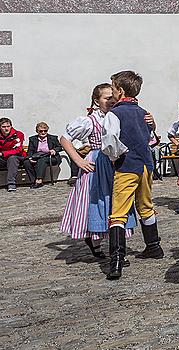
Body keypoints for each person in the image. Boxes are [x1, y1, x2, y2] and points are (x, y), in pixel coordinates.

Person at [58, 84, 138, 258]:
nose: (111, 101)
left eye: (112, 97)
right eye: (106, 98)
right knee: (96, 201)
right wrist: (79, 160)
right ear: (96, 101)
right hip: (97, 162)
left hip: (116, 163)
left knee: (115, 200)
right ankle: (95, 239)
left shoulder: (118, 115)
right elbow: (64, 138)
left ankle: (114, 243)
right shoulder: (89, 120)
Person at [100, 70, 161, 280]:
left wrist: (116, 156)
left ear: (120, 90)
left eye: (114, 88)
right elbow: (151, 137)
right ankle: (154, 246)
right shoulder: (143, 112)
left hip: (127, 165)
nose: (113, 92)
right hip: (146, 165)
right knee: (146, 205)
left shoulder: (114, 114)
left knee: (118, 212)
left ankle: (116, 259)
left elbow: (110, 141)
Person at [23, 122, 63, 188]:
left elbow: (60, 147)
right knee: (26, 162)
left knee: (42, 160)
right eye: (41, 131)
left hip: (51, 157)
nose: (43, 132)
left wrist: (54, 150)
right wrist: (30, 158)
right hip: (37, 156)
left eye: (45, 131)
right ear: (37, 131)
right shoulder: (32, 139)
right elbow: (30, 151)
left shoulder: (53, 138)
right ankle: (34, 180)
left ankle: (39, 180)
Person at [0, 118, 25, 191]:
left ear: (11, 126)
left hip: (17, 157)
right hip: (3, 159)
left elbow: (18, 150)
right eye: (3, 127)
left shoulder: (18, 134)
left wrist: (3, 153)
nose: (6, 129)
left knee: (12, 158)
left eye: (8, 126)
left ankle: (11, 183)